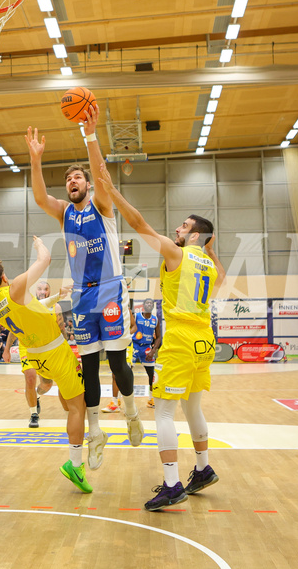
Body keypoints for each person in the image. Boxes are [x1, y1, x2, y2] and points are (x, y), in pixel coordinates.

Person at [96, 163, 225, 511]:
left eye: (184, 226)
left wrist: (112, 191)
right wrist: (209, 246)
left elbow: (139, 225)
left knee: (164, 413)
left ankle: (172, 484)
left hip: (182, 338)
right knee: (193, 406)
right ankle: (202, 468)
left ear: (194, 236)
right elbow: (220, 277)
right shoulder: (211, 265)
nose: (178, 229)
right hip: (205, 340)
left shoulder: (177, 253)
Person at [26, 111, 144, 471]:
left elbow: (101, 176)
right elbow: (39, 197)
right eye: (69, 179)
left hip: (110, 289)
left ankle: (131, 412)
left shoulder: (101, 205)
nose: (72, 181)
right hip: (81, 294)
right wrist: (35, 159)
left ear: (88, 184)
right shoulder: (64, 213)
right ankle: (95, 433)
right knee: (88, 366)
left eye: (78, 176)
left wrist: (90, 137)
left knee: (117, 361)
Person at [0, 237, 92, 493]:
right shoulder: (15, 287)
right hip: (56, 353)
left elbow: (33, 309)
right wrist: (40, 245)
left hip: (37, 358)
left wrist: (55, 297)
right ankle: (76, 464)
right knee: (78, 407)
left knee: (68, 399)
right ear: (5, 276)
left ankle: (77, 433)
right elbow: (45, 260)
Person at [3, 279, 65, 428]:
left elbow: (62, 329)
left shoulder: (56, 307)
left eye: (45, 289)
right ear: (35, 291)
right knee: (30, 377)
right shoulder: (26, 306)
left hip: (46, 349)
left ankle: (36, 396)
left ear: (49, 292)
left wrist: (66, 349)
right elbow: (14, 330)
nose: (42, 291)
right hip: (27, 347)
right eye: (40, 289)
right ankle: (33, 414)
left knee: (47, 384)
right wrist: (6, 350)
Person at [133, 298, 161, 408]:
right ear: (143, 306)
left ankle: (151, 399)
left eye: (151, 303)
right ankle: (120, 400)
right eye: (147, 303)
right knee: (126, 372)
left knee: (152, 374)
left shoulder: (155, 319)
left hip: (147, 348)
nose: (149, 304)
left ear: (153, 306)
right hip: (134, 345)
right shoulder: (136, 316)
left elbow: (158, 337)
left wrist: (153, 350)